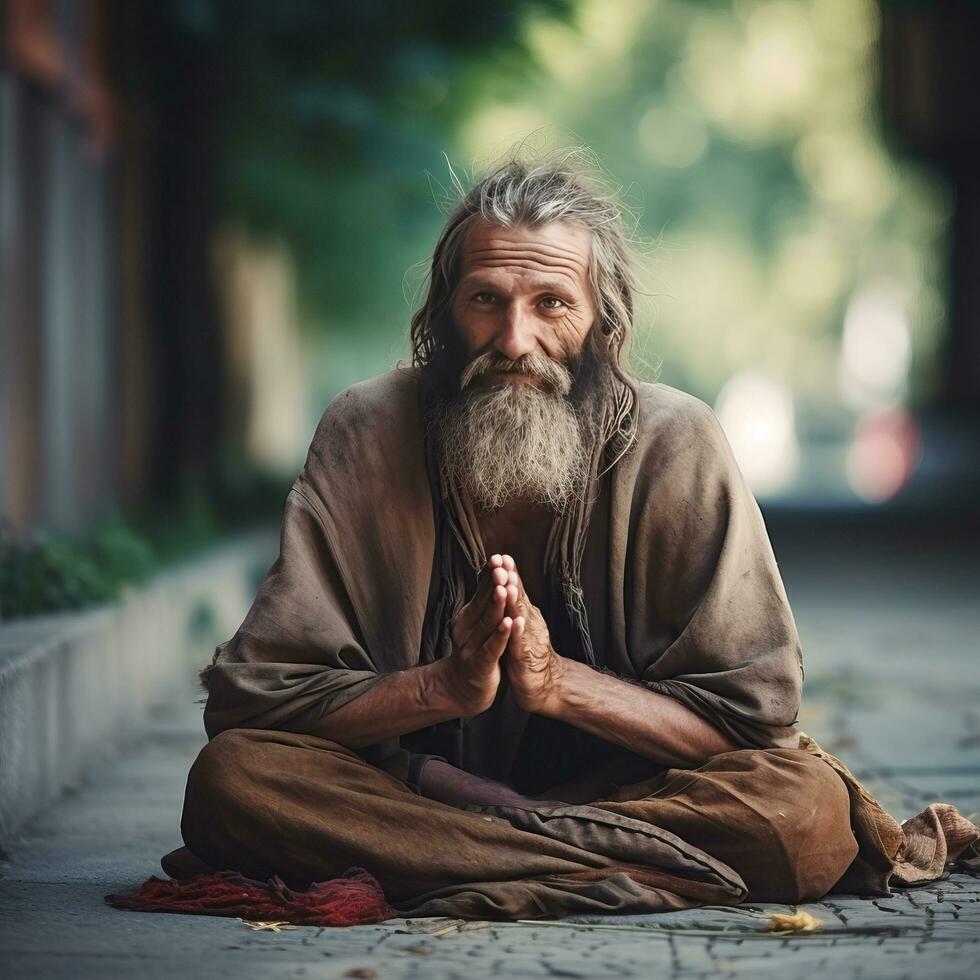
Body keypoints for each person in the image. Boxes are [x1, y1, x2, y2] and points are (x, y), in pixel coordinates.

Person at [166, 149, 977, 920]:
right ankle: (628, 867)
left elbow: (748, 723)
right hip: (411, 791)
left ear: (603, 325)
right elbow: (258, 707)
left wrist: (557, 684)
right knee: (233, 781)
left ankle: (478, 857)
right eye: (486, 299)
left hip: (628, 794)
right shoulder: (366, 428)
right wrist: (444, 688)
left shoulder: (676, 441)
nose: (515, 341)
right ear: (444, 315)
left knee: (801, 811)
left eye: (551, 304)